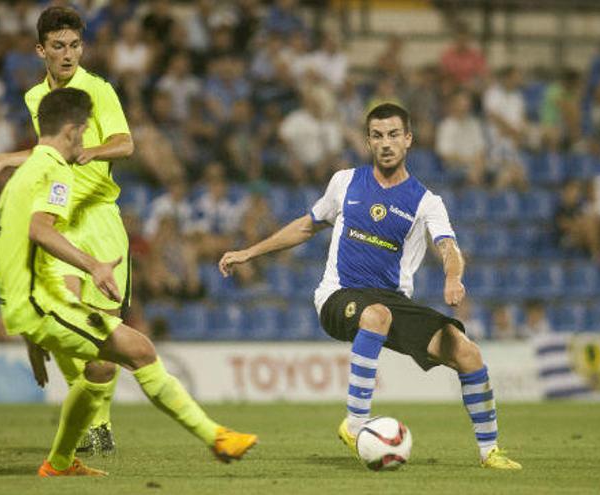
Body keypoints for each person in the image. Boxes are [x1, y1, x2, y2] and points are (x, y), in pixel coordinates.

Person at [219, 103, 521, 470]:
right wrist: (250, 252)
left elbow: (448, 247)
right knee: (375, 315)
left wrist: (453, 276)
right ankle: (356, 425)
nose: (386, 143)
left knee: (467, 352)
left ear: (408, 139)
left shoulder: (427, 202)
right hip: (338, 296)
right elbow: (306, 225)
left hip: (392, 302)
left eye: (394, 134)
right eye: (377, 136)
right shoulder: (345, 182)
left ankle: (490, 452)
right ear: (368, 141)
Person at [0, 87, 256, 477]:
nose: (83, 141)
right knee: (141, 351)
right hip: (41, 303)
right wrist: (93, 265)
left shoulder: (21, 178)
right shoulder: (56, 171)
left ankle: (61, 463)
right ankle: (216, 436)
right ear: (70, 130)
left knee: (100, 368)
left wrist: (29, 332)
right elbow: (39, 231)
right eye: (82, 132)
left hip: (32, 304)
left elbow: (10, 252)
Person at [0, 6, 133, 456]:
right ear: (41, 50)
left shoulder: (98, 89)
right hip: (62, 215)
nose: (68, 54)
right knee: (61, 315)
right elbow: (46, 154)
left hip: (100, 214)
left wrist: (91, 152)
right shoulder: (35, 98)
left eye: (75, 45)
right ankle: (95, 422)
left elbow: (126, 144)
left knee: (103, 331)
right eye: (58, 46)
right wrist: (4, 158)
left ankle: (99, 416)